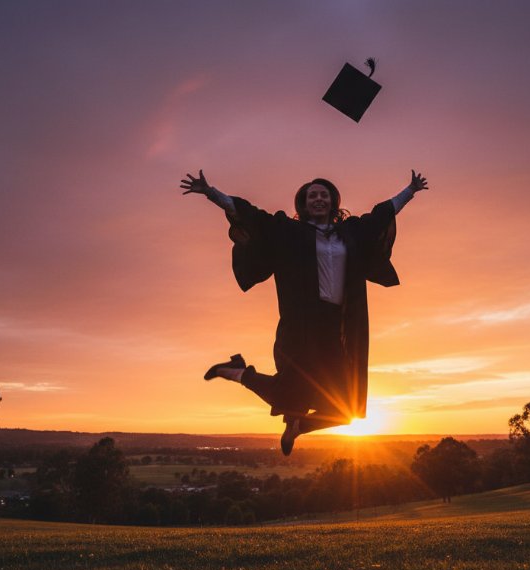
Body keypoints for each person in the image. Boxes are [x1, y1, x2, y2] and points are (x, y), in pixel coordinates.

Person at [180, 169, 428, 454]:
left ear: (334, 201)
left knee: (345, 409)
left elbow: (381, 215)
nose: (318, 199)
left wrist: (410, 190)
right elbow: (252, 215)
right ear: (304, 203)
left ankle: (297, 425)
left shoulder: (350, 233)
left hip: (337, 326)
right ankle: (239, 374)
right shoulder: (290, 231)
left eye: (324, 195)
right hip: (301, 325)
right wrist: (211, 193)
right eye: (313, 195)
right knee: (289, 392)